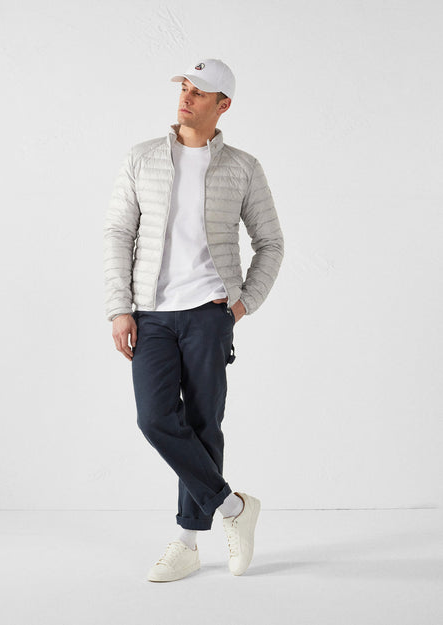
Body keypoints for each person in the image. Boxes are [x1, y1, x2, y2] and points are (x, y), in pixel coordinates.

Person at [104, 58, 284, 582]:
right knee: (155, 419)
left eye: (199, 91)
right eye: (184, 87)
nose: (186, 97)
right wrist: (119, 307)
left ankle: (186, 543)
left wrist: (242, 304)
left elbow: (271, 243)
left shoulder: (243, 167)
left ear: (223, 105)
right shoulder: (141, 159)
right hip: (152, 315)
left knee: (205, 425)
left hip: (209, 313)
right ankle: (234, 507)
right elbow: (118, 232)